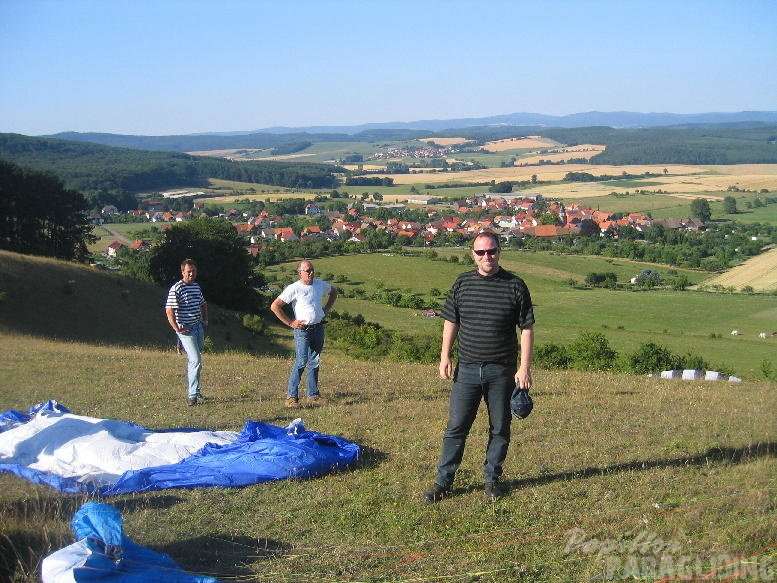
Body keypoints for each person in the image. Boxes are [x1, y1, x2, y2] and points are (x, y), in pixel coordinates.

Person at [423, 232, 535, 502]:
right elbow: (451, 321)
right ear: (473, 254)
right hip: (468, 369)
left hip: (502, 370)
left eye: (492, 251)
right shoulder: (462, 282)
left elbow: (527, 328)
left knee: (499, 427)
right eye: (481, 252)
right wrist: (445, 356)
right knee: (457, 426)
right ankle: (443, 482)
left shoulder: (516, 285)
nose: (487, 257)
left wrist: (524, 367)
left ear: (500, 251)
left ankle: (492, 479)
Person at [271, 260, 338, 408]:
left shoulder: (320, 285)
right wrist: (290, 322)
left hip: (318, 328)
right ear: (299, 273)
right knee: (301, 362)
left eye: (312, 270)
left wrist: (325, 310)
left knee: (314, 361)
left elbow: (334, 292)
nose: (311, 273)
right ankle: (291, 397)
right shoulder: (293, 288)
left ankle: (313, 396)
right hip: (302, 331)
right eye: (307, 271)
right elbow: (275, 306)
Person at [165, 258, 209, 406]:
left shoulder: (196, 286)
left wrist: (205, 320)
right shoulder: (176, 288)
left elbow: (203, 304)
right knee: (196, 360)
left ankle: (196, 392)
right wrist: (177, 329)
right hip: (186, 330)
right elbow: (169, 311)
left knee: (194, 360)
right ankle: (192, 395)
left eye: (193, 271)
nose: (191, 274)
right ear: (182, 271)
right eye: (188, 271)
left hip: (198, 327)